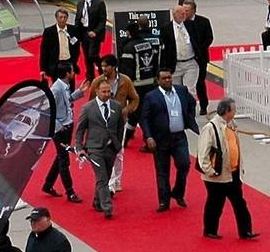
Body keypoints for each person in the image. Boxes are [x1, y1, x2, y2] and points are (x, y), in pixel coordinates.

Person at [196, 98, 257, 240]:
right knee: (215, 204)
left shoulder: (231, 125)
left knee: (239, 203)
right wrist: (210, 171)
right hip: (217, 175)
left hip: (232, 172)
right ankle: (210, 230)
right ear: (227, 111)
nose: (235, 112)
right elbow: (202, 153)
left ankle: (245, 231)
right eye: (234, 110)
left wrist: (239, 167)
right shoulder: (211, 128)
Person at [139, 67, 196, 212]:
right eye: (164, 78)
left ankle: (178, 192)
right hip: (160, 138)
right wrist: (148, 136)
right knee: (162, 171)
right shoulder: (151, 96)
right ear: (158, 80)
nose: (167, 80)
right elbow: (144, 118)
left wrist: (189, 118)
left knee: (184, 164)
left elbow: (192, 103)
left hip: (179, 137)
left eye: (169, 77)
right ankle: (164, 201)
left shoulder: (181, 90)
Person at [75, 74, 128, 217]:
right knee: (102, 178)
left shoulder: (116, 106)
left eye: (108, 91)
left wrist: (117, 144)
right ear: (97, 91)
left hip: (111, 148)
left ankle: (97, 201)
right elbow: (80, 130)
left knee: (106, 175)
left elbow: (120, 127)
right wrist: (79, 148)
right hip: (94, 148)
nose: (107, 94)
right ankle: (107, 207)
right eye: (103, 91)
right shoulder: (87, 108)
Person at [91, 56, 140, 180]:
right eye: (102, 66)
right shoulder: (97, 82)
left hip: (119, 123)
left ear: (113, 67)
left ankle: (115, 181)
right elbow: (91, 102)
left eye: (106, 66)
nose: (103, 68)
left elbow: (135, 99)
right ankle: (106, 178)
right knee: (102, 151)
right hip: (102, 123)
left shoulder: (125, 81)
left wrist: (125, 111)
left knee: (118, 152)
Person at [169, 0, 214, 114]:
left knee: (199, 83)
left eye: (187, 11)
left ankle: (203, 105)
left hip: (199, 58)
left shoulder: (203, 22)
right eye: (183, 10)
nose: (184, 13)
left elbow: (209, 38)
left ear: (194, 11)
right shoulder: (181, 24)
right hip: (181, 61)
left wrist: (199, 49)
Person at [42, 66, 79, 202]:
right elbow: (47, 109)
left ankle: (48, 184)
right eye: (72, 71)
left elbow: (67, 100)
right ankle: (70, 191)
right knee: (64, 159)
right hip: (60, 129)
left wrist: (80, 92)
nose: (74, 73)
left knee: (61, 156)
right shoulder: (56, 89)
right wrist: (58, 125)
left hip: (66, 125)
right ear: (67, 73)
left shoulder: (64, 86)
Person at [74, 0, 107, 79]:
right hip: (83, 32)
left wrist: (95, 32)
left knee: (93, 54)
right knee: (86, 56)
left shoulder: (99, 3)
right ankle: (90, 76)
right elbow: (78, 18)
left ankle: (102, 70)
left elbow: (102, 20)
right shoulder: (80, 3)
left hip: (94, 33)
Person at [39, 7, 79, 81]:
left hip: (69, 63)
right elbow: (44, 51)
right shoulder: (49, 31)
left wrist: (74, 62)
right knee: (57, 88)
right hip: (56, 65)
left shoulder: (73, 30)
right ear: (56, 18)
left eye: (65, 17)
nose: (63, 19)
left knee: (71, 87)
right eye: (60, 17)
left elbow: (76, 48)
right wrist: (43, 69)